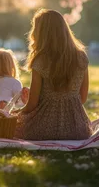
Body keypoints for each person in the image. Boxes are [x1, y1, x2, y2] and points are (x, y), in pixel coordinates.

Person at [14, 9, 92, 140]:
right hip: (78, 129)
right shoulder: (81, 57)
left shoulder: (40, 60)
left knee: (14, 128)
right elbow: (82, 98)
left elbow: (32, 104)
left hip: (42, 129)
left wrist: (16, 114)